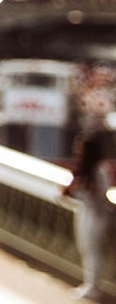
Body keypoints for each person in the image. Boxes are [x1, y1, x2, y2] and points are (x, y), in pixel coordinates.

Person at [67, 129, 116, 301]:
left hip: (98, 216)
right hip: (85, 213)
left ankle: (94, 286)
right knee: (85, 248)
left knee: (94, 250)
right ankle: (89, 283)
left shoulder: (100, 169)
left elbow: (101, 195)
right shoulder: (83, 169)